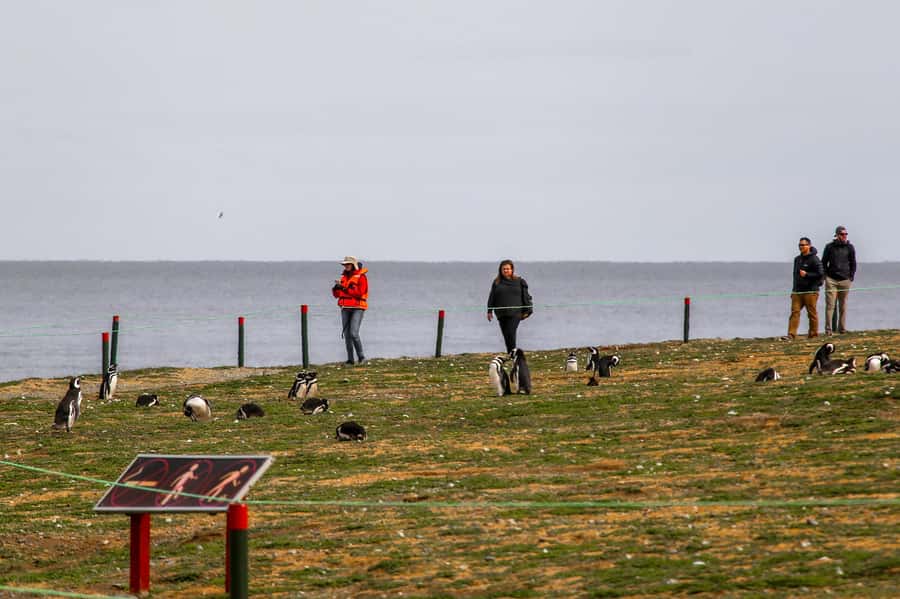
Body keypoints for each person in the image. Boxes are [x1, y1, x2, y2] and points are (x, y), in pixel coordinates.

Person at [486, 259, 532, 352]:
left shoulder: (520, 281)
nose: (506, 271)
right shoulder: (497, 282)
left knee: (511, 332)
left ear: (512, 270)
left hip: (515, 313)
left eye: (508, 269)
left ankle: (514, 353)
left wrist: (528, 311)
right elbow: (492, 297)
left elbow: (526, 297)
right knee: (506, 335)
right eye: (504, 269)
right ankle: (511, 353)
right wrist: (489, 311)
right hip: (501, 314)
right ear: (500, 270)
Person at [785, 237, 824, 340]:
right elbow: (795, 276)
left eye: (803, 245)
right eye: (800, 245)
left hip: (811, 291)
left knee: (812, 313)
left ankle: (813, 335)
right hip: (798, 291)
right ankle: (791, 334)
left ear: (809, 246)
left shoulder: (814, 259)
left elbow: (820, 273)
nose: (801, 247)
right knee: (795, 312)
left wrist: (807, 274)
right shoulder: (797, 259)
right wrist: (793, 290)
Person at [332, 256, 368, 365]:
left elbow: (360, 293)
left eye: (348, 264)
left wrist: (344, 288)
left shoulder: (361, 277)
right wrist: (336, 288)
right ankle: (350, 360)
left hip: (358, 307)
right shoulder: (343, 277)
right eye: (344, 264)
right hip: (345, 308)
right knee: (347, 335)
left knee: (353, 333)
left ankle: (361, 358)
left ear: (353, 265)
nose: (346, 266)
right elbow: (337, 295)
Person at [821, 225, 856, 335]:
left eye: (846, 234)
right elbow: (823, 262)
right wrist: (825, 276)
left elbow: (853, 263)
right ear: (837, 235)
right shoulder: (829, 247)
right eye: (842, 234)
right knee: (830, 305)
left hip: (845, 280)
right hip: (831, 280)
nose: (844, 236)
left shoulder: (850, 247)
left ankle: (842, 328)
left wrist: (851, 276)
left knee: (843, 305)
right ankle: (828, 329)